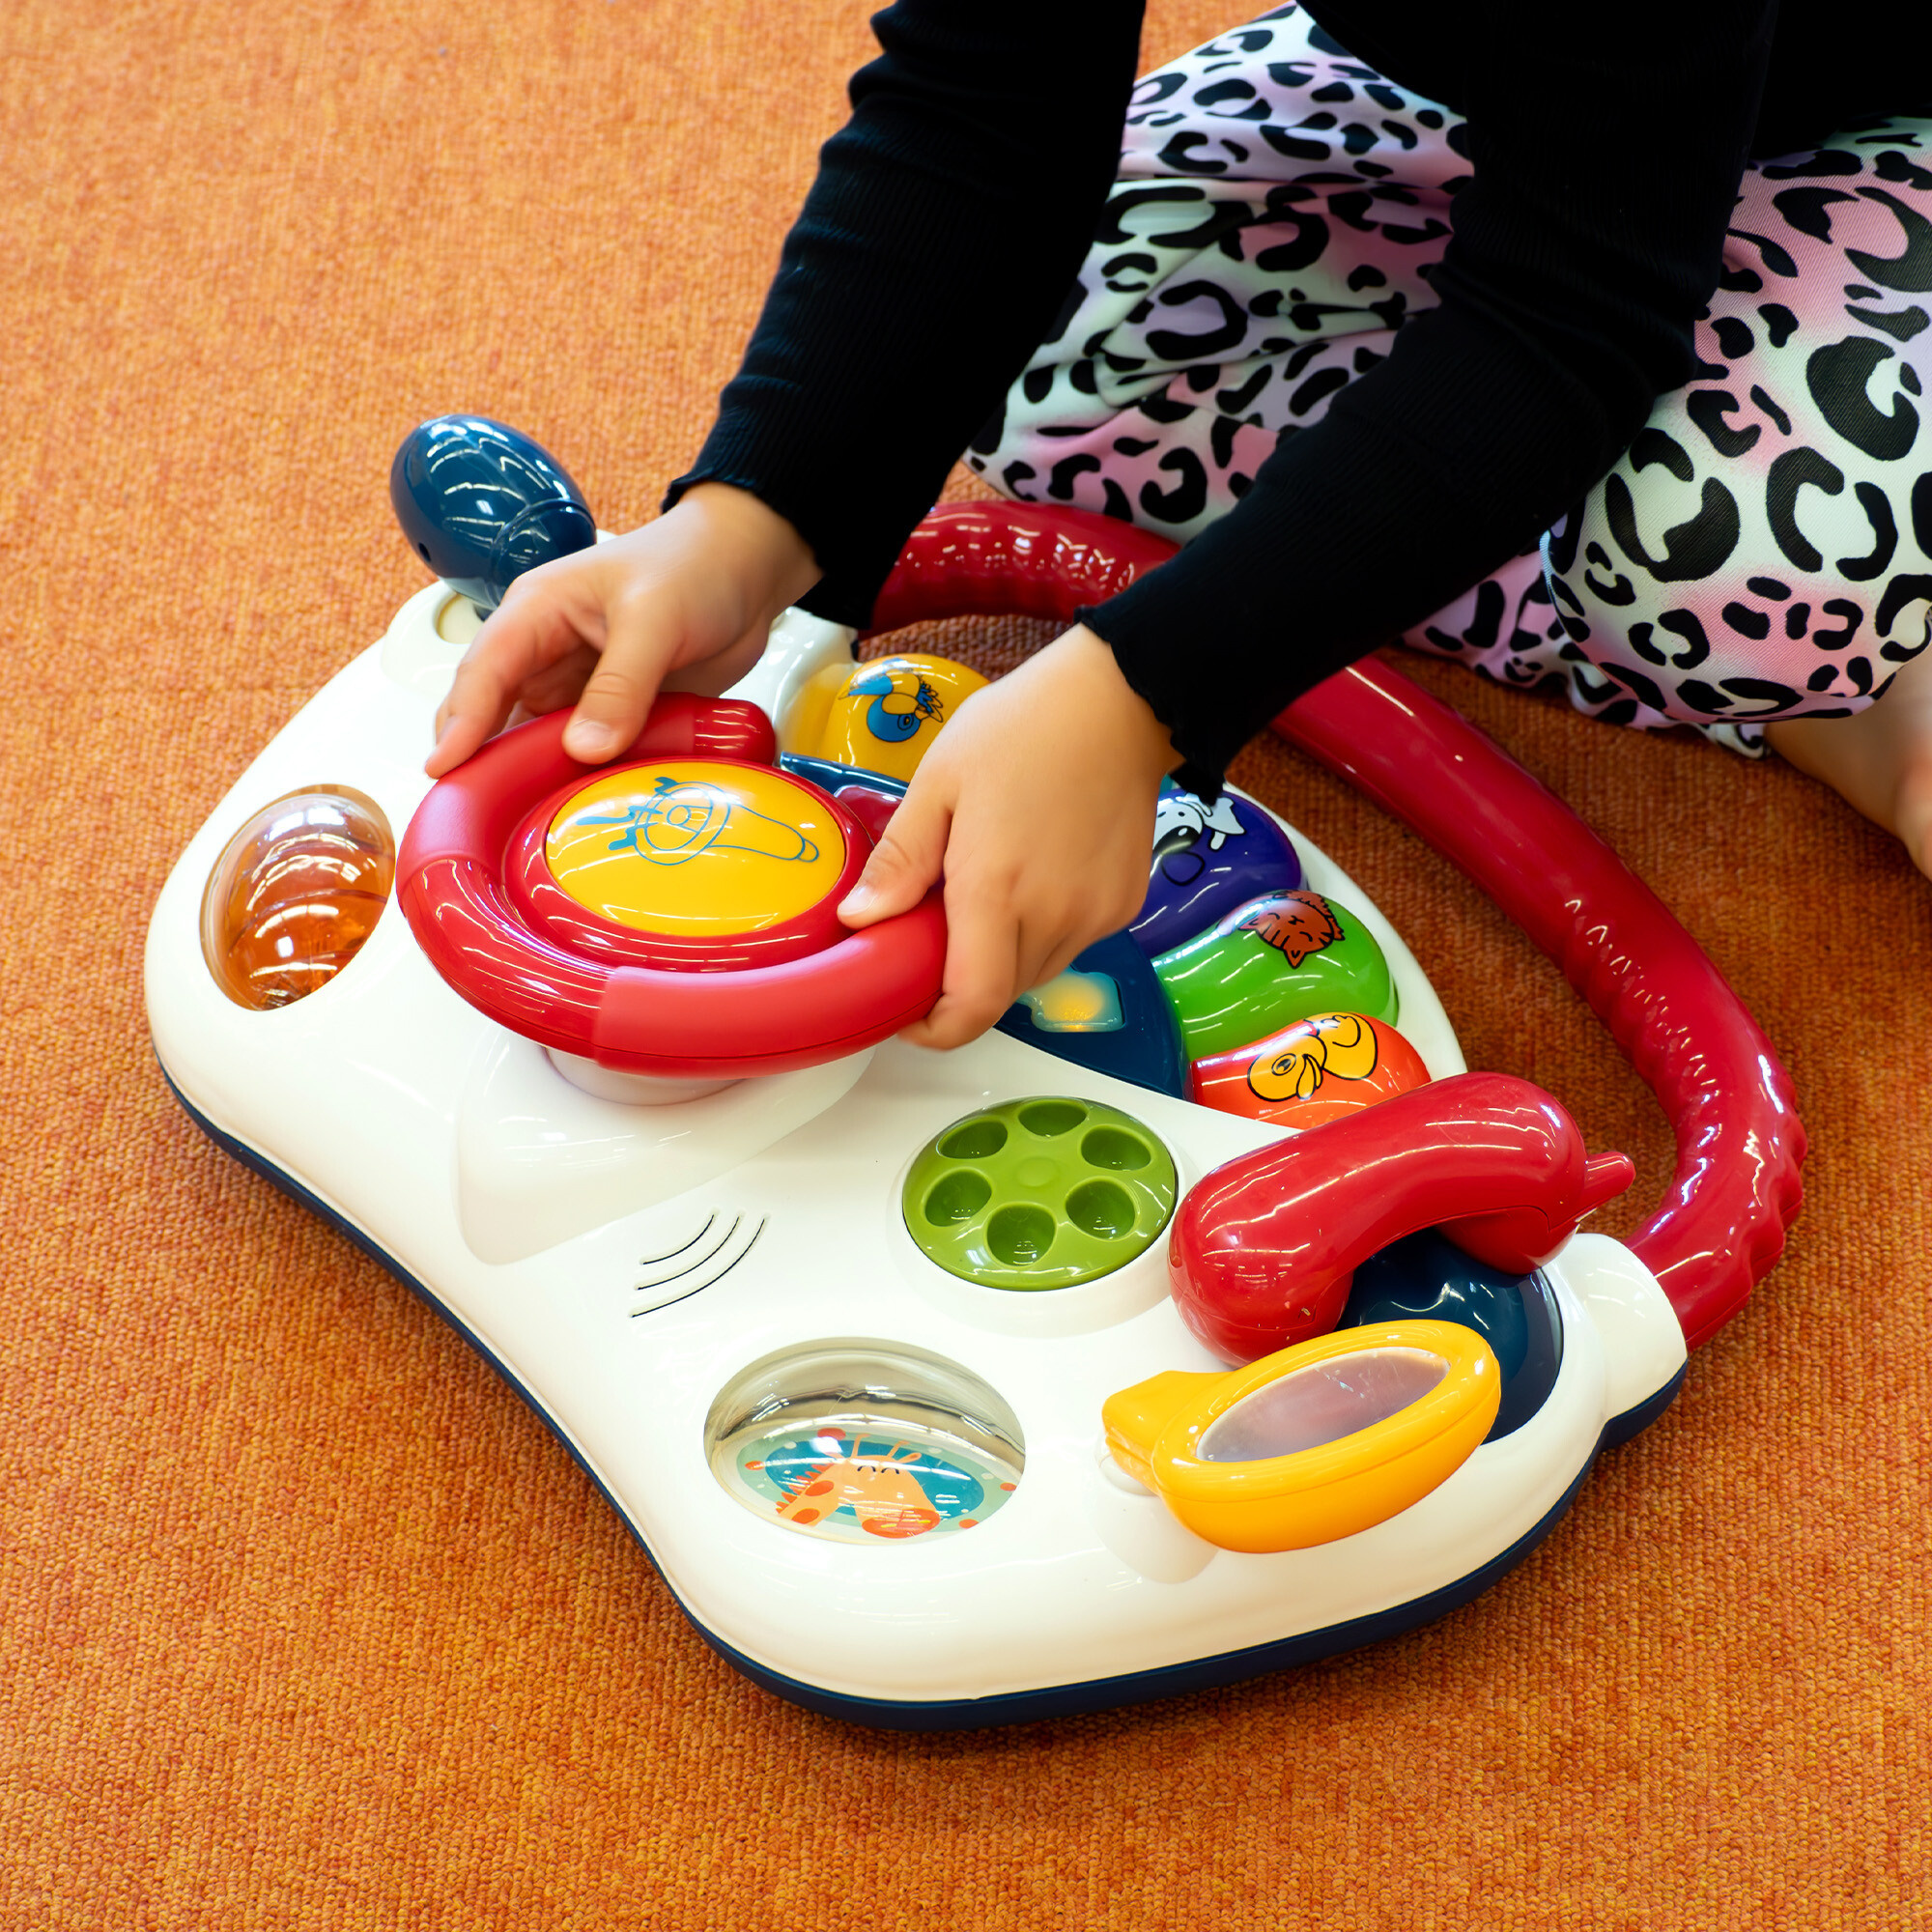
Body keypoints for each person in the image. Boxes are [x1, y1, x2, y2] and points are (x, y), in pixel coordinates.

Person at [426, 1, 1932, 1050]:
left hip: (1867, 120)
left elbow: (1568, 317)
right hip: (1504, 97)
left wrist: (1142, 693)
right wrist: (755, 517)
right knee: (1067, 371)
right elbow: (979, 105)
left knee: (1722, 558)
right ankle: (1659, 591)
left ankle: (1847, 674)